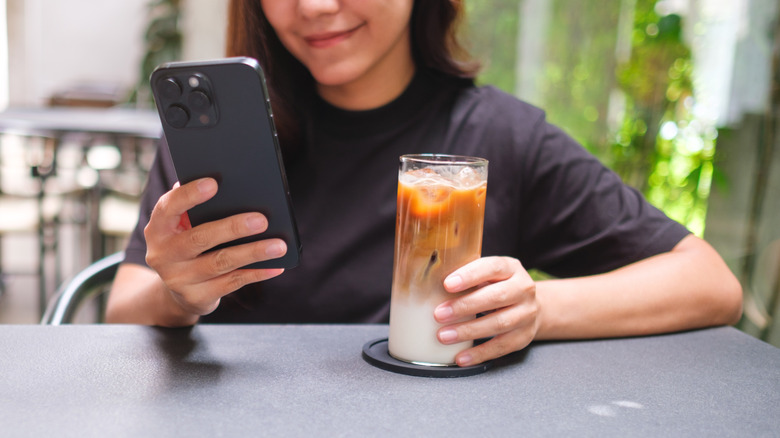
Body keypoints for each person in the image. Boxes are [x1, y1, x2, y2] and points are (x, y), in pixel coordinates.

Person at [106, 0, 743, 367]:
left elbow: (708, 282)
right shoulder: (229, 137)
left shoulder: (501, 136)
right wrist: (180, 296)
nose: (316, 6)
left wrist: (536, 310)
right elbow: (124, 308)